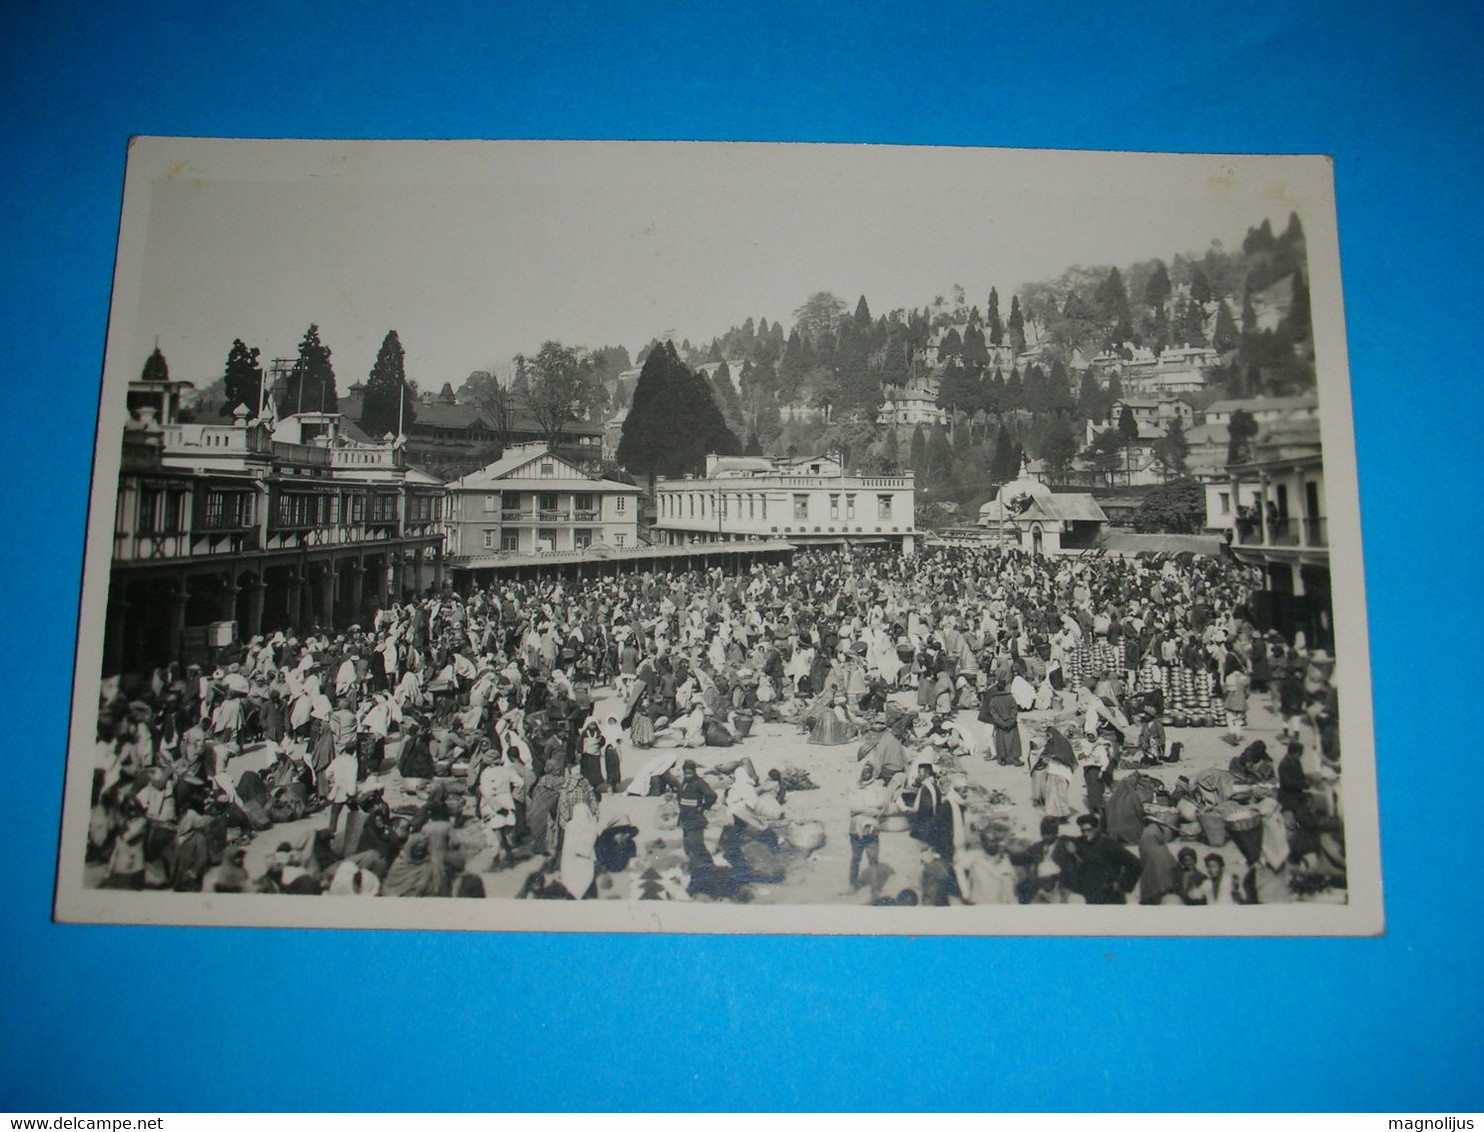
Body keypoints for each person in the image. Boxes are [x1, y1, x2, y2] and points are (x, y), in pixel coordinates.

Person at [1053, 814, 1141, 904]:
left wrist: (1122, 885)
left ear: (1096, 829)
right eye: (1082, 831)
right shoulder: (1080, 842)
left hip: (1110, 897)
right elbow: (1063, 839)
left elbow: (1135, 864)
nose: (1085, 834)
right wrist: (1070, 848)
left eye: (1088, 830)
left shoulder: (1109, 844)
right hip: (1090, 896)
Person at [848, 762, 890, 899]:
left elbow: (882, 804)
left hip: (871, 830)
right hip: (856, 829)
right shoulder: (854, 787)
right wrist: (872, 810)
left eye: (869, 771)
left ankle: (874, 889)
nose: (867, 774)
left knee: (873, 860)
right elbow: (854, 807)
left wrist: (865, 809)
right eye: (864, 771)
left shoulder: (877, 788)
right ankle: (852, 884)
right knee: (855, 858)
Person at [672, 759, 717, 872]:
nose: (688, 775)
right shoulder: (685, 783)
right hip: (685, 818)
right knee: (688, 846)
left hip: (695, 819)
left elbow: (711, 795)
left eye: (690, 773)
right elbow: (680, 797)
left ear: (694, 771)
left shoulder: (699, 783)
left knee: (697, 845)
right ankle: (695, 867)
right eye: (686, 773)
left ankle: (710, 867)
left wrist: (704, 806)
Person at [979, 678, 1024, 766]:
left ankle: (1002, 759)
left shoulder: (994, 700)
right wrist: (1011, 720)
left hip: (1000, 724)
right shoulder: (1011, 698)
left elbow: (994, 713)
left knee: (1001, 742)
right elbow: (1014, 710)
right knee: (1014, 742)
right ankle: (1016, 759)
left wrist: (1001, 722)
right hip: (1011, 723)